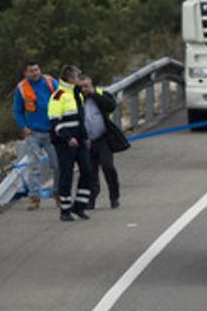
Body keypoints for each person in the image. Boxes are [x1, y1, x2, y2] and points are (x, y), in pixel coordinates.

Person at [47, 65, 96, 221]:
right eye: (77, 76)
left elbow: (81, 120)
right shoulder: (58, 96)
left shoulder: (77, 94)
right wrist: (68, 138)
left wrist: (85, 137)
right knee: (66, 175)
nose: (80, 78)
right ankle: (65, 210)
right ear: (69, 79)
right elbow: (54, 121)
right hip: (64, 142)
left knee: (88, 171)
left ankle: (79, 206)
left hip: (80, 140)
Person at [77, 74, 129, 209]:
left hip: (102, 139)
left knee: (108, 167)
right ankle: (91, 199)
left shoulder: (100, 94)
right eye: (81, 87)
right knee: (90, 172)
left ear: (91, 85)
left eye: (86, 86)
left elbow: (111, 106)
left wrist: (94, 94)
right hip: (86, 141)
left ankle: (114, 196)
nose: (84, 90)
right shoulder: (75, 99)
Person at [13, 61, 59, 211]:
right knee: (34, 167)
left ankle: (58, 194)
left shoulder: (51, 82)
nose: (35, 73)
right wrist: (24, 127)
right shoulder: (21, 88)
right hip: (34, 133)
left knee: (57, 165)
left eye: (37, 69)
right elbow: (17, 110)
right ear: (25, 73)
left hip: (52, 131)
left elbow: (61, 100)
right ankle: (34, 198)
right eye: (31, 71)